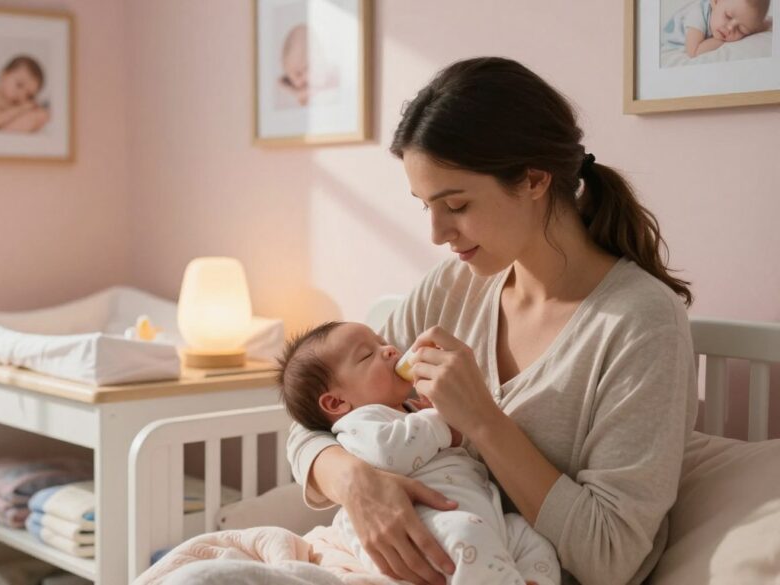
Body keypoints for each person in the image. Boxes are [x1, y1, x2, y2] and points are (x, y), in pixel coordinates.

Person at [287, 57, 698, 585]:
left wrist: (482, 418)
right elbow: (312, 413)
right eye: (425, 207)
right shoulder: (451, 288)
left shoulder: (640, 325)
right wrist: (354, 483)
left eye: (455, 204)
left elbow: (612, 556)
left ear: (533, 179)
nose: (437, 232)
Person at [277, 320, 560, 585]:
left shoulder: (409, 409)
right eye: (367, 355)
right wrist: (443, 418)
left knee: (532, 540)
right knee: (469, 538)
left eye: (382, 342)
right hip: (423, 526)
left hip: (484, 513)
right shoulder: (358, 423)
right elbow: (389, 451)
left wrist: (442, 422)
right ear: (337, 402)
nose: (389, 349)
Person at [661, 0, 772, 58]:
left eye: (741, 30)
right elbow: (693, 52)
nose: (729, 28)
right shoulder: (697, 15)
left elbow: (764, 23)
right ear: (715, 1)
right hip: (666, 42)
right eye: (728, 16)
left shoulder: (736, 13)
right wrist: (721, 41)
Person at [0, 55, 51, 133]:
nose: (21, 95)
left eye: (29, 96)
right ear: (3, 75)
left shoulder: (17, 103)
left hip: (8, 131)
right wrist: (22, 109)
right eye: (19, 85)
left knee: (42, 114)